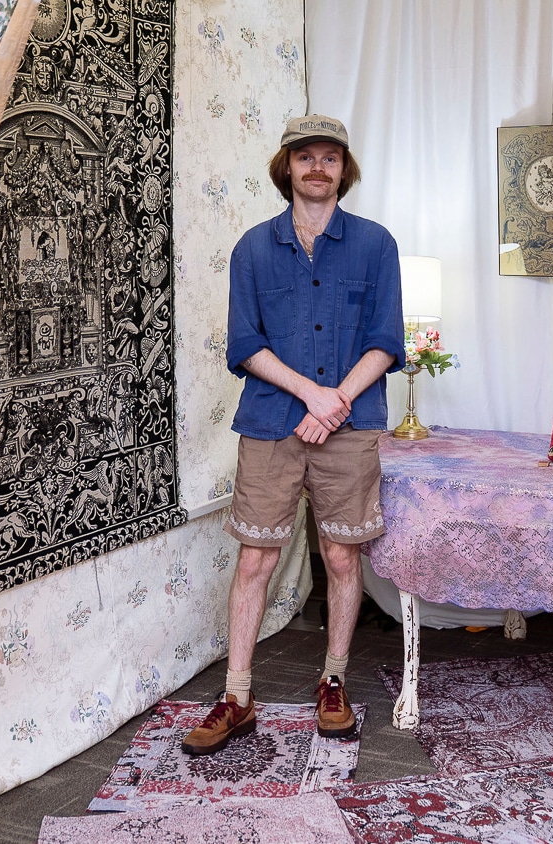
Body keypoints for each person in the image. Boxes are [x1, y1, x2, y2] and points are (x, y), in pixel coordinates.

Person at [182, 115, 404, 755]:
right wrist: (314, 395)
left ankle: (332, 682)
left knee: (340, 556)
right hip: (272, 423)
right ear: (287, 167)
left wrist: (335, 404)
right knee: (256, 557)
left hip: (351, 425)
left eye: (329, 157)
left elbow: (386, 339)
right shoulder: (253, 248)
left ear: (344, 169)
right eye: (304, 156)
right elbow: (244, 344)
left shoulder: (375, 245)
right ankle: (238, 695)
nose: (317, 167)